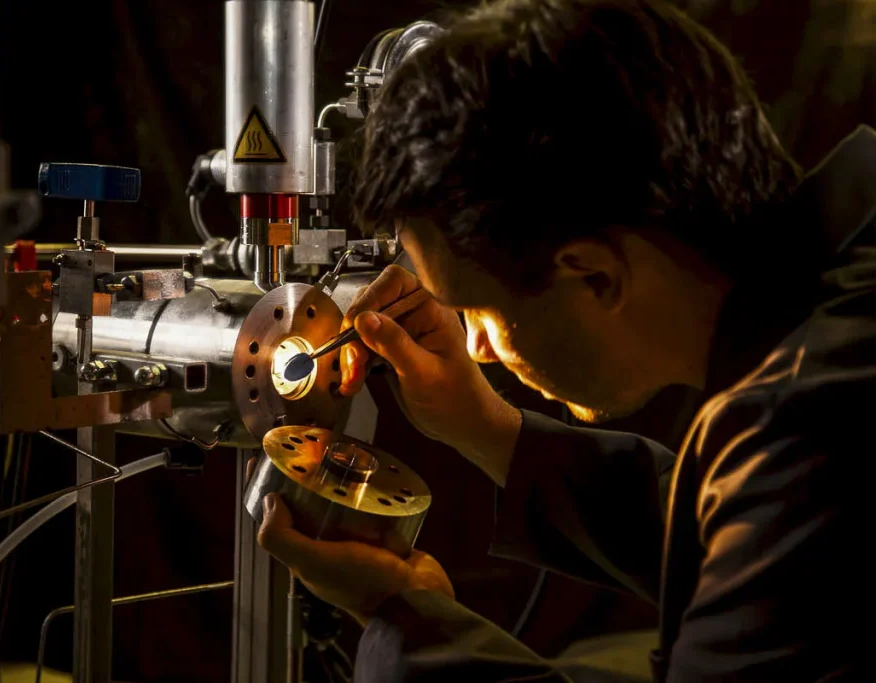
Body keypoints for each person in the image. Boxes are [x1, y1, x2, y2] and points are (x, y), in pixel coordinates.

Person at [253, 0, 874, 680]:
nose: (475, 348)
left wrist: (406, 619)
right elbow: (759, 544)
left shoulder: (814, 423)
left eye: (476, 309)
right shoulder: (838, 299)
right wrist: (485, 426)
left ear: (595, 276)